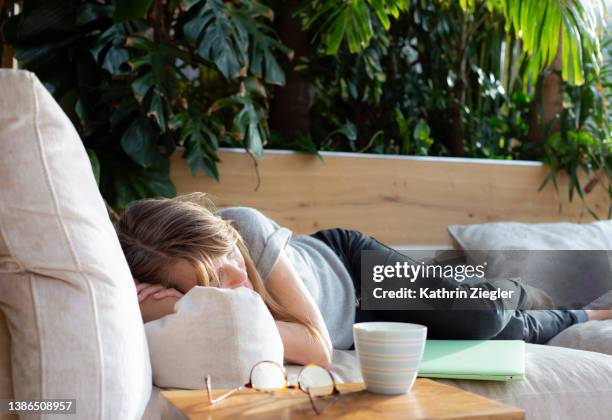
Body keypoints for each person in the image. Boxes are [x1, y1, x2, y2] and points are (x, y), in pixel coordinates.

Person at [116, 193, 612, 368]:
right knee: (490, 335)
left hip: (353, 272)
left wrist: (189, 303)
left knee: (483, 315)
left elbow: (314, 346)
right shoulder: (168, 300)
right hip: (356, 325)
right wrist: (170, 309)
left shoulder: (243, 225)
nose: (236, 278)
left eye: (227, 256)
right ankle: (586, 314)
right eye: (210, 282)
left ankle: (527, 290)